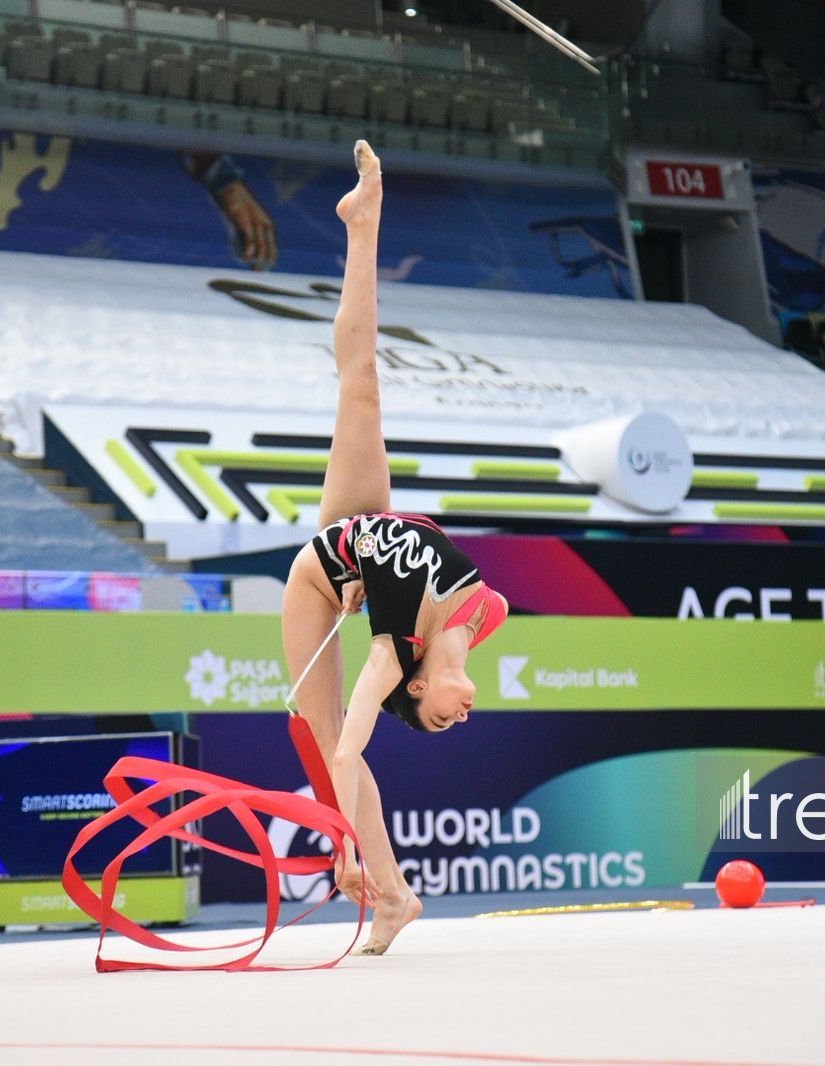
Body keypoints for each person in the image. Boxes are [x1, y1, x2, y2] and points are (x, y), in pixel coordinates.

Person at [281, 140, 509, 956]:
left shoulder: (392, 657)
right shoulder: (487, 615)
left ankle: (379, 881)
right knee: (363, 378)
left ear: (416, 688)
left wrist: (335, 843)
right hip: (363, 528)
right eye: (457, 720)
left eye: (441, 722)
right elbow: (407, 568)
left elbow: (345, 753)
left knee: (324, 731)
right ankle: (362, 220)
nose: (459, 716)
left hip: (315, 580)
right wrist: (369, 583)